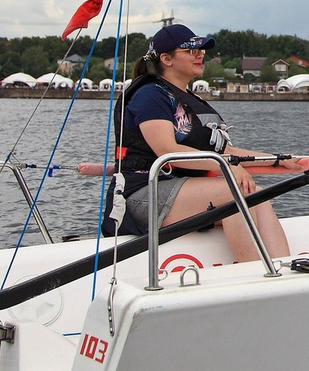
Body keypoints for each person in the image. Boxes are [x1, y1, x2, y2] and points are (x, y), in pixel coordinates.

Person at [118, 23, 291, 263]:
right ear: (166, 59)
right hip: (143, 194)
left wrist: (282, 161)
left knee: (258, 195)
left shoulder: (189, 100)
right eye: (191, 50)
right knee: (234, 191)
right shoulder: (150, 95)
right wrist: (226, 166)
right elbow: (166, 149)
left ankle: (283, 268)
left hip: (180, 189)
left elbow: (225, 151)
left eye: (201, 50)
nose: (200, 55)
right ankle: (254, 271)